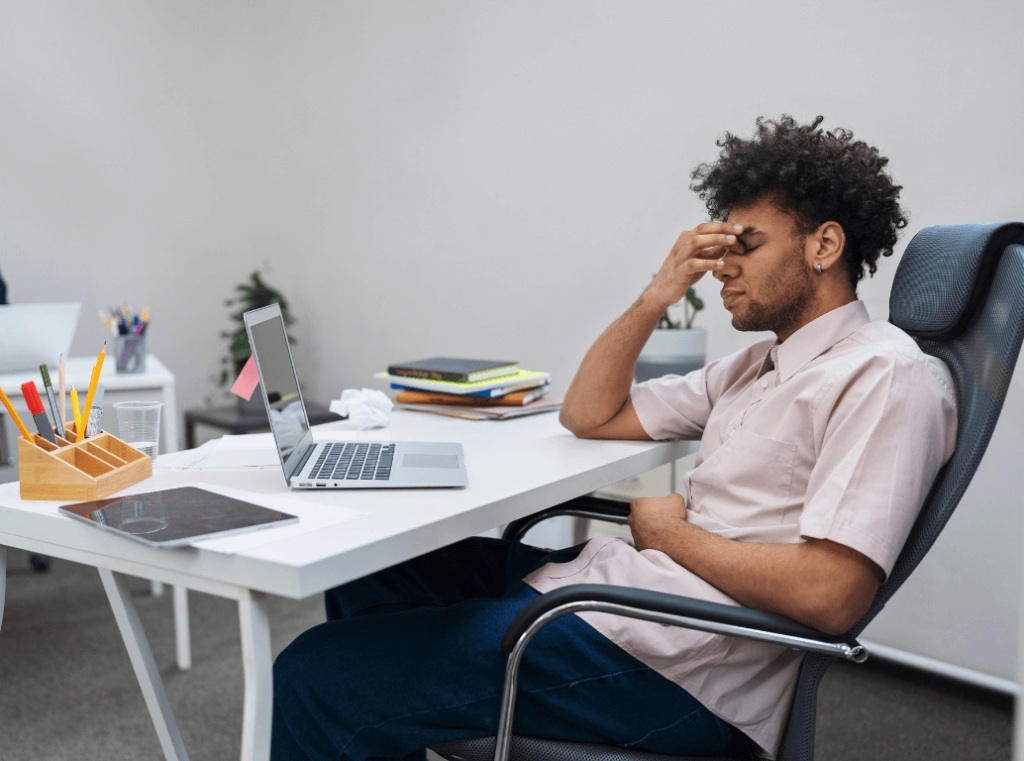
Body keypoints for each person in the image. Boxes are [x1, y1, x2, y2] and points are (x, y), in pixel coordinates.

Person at [271, 116, 958, 761]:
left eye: (743, 245)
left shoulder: (882, 374)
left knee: (313, 671)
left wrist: (672, 536)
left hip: (678, 666)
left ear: (824, 245)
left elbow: (832, 595)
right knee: (374, 566)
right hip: (622, 596)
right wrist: (659, 292)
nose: (722, 267)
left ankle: (355, 700)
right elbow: (589, 414)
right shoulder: (760, 365)